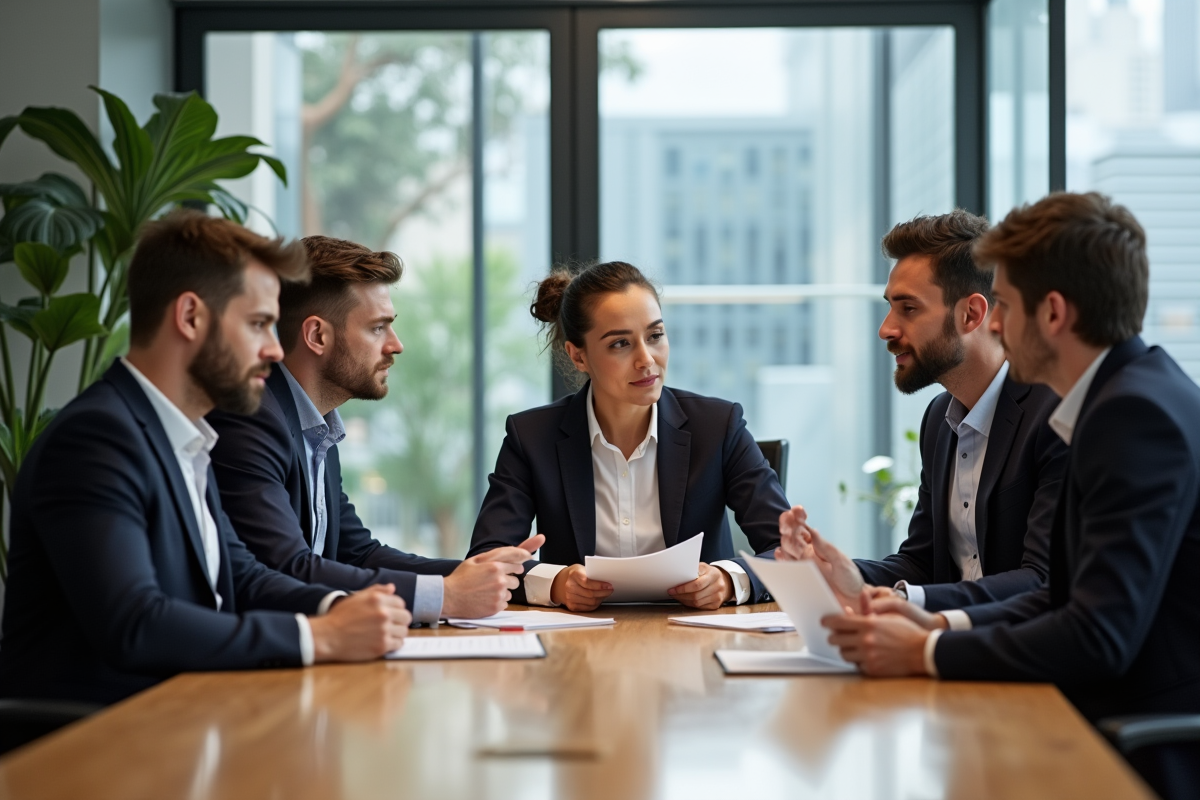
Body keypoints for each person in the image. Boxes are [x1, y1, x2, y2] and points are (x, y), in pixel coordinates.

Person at [816, 193, 1200, 796]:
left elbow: (1096, 634)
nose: (996, 325)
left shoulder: (1131, 415)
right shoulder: (1121, 396)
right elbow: (1063, 598)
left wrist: (929, 651)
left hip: (1134, 748)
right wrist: (931, 625)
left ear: (1051, 313)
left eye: (1007, 307)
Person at [0, 211, 412, 706]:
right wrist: (320, 637)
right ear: (191, 316)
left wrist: (346, 607)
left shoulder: (184, 437)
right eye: (258, 324)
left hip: (183, 724)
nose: (274, 350)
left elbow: (243, 576)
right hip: (96, 748)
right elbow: (136, 623)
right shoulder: (97, 438)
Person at [208, 235, 542, 623]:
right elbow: (286, 566)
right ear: (317, 335)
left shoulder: (315, 425)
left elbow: (357, 552)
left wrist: (480, 573)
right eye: (378, 328)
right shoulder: (251, 416)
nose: (396, 346)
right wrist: (445, 595)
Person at [778, 210, 1067, 614]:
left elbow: (1042, 579)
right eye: (890, 307)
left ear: (972, 314)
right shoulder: (939, 419)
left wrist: (900, 601)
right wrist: (836, 573)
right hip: (956, 652)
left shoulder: (1055, 413)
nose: (886, 329)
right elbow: (922, 563)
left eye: (908, 309)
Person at [467, 260, 789, 611]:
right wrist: (556, 584)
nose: (646, 359)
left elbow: (788, 552)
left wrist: (728, 581)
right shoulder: (531, 437)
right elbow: (487, 559)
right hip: (578, 645)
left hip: (698, 642)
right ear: (578, 355)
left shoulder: (719, 425)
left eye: (655, 336)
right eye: (620, 344)